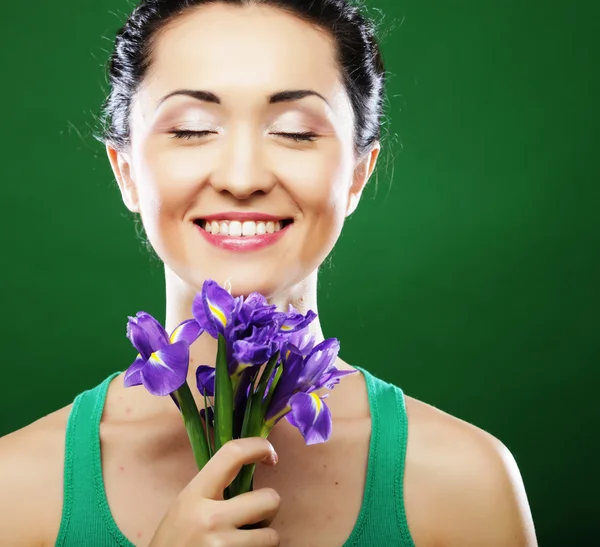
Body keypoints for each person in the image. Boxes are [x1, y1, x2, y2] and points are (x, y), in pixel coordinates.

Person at [0, 0, 538, 545]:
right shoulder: (14, 490)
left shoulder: (466, 483)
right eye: (190, 129)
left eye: (296, 132)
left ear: (357, 175)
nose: (242, 177)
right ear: (127, 172)